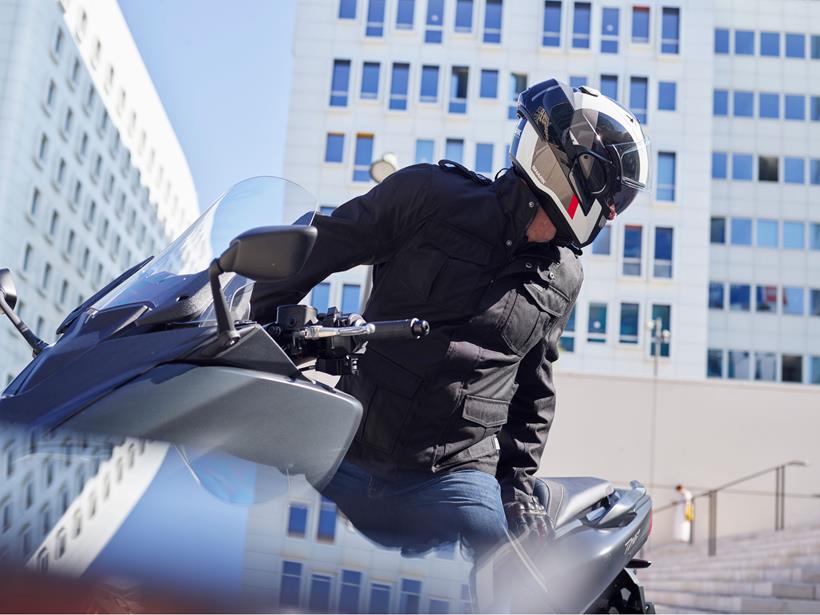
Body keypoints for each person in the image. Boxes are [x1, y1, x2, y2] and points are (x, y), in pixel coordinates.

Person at [251, 78, 650, 557]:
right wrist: (253, 333)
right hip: (350, 447)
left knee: (504, 578)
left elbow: (533, 391)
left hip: (457, 477)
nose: (610, 211)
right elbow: (319, 247)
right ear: (573, 170)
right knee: (254, 534)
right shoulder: (429, 195)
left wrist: (517, 488)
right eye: (611, 194)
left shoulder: (565, 277)